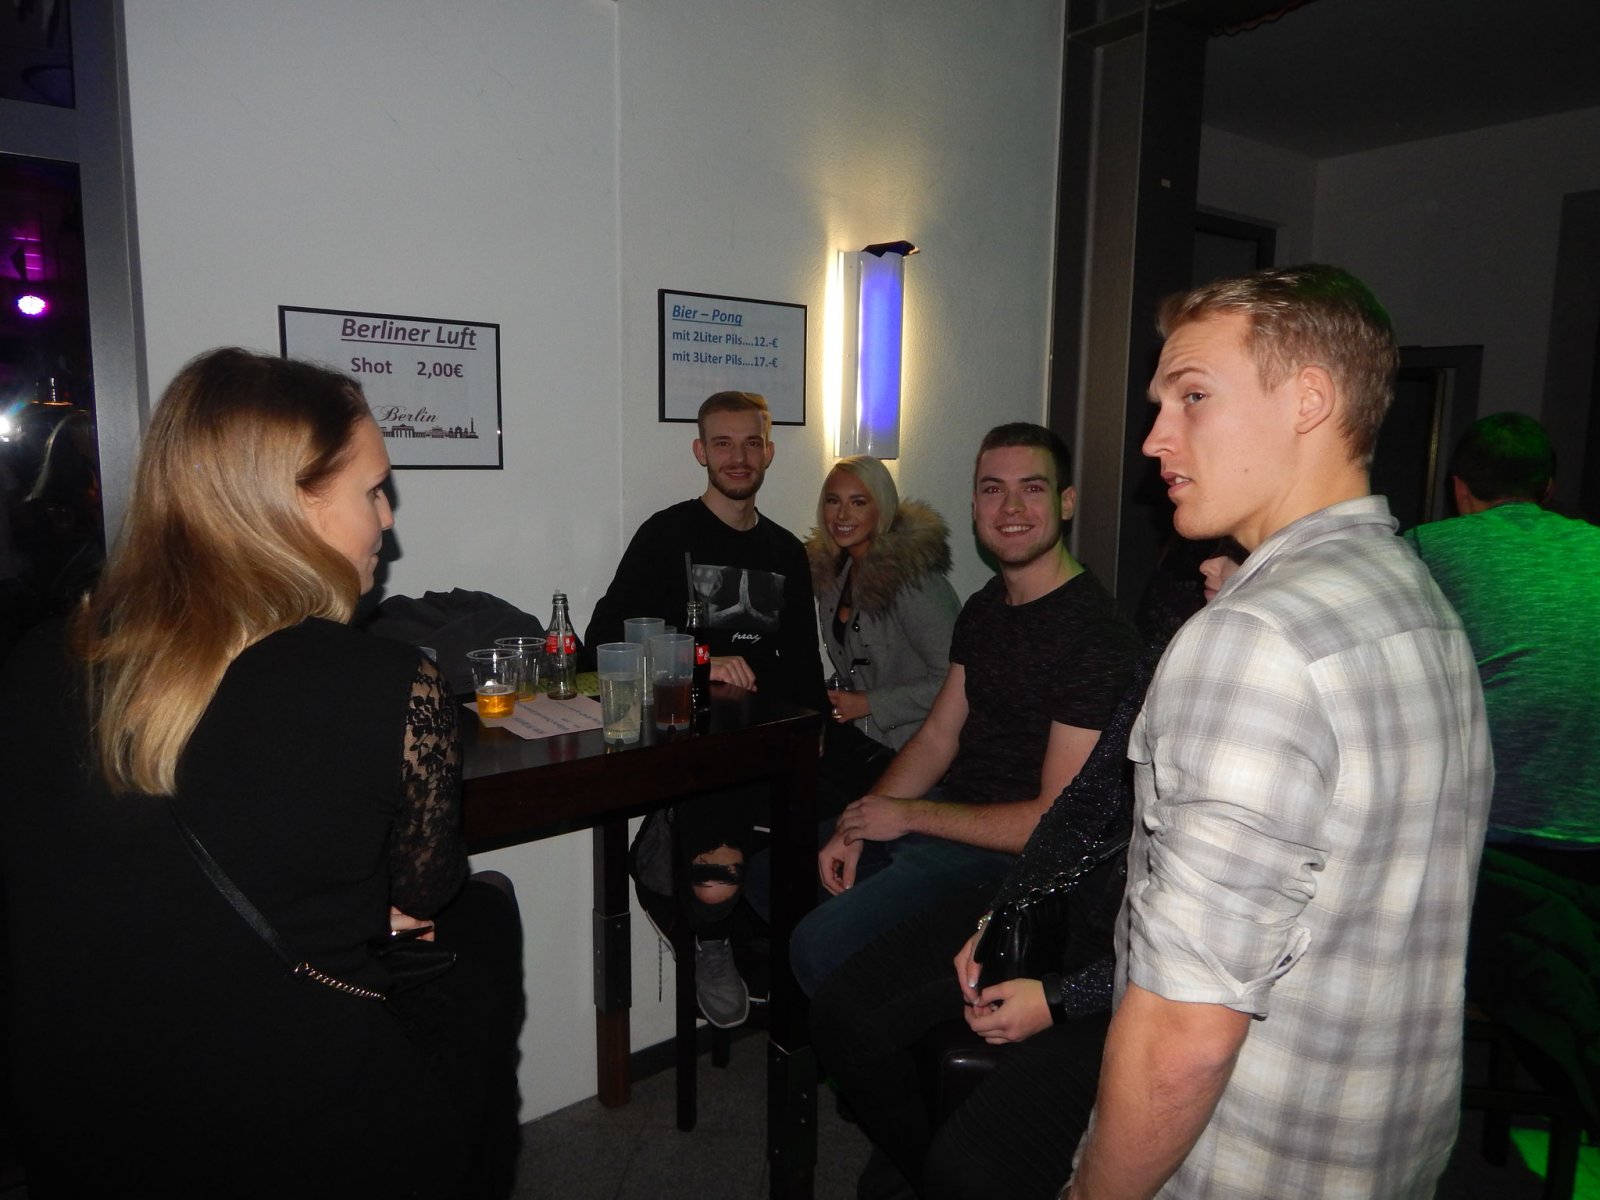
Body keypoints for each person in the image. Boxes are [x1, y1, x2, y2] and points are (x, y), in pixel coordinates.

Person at [0, 349, 522, 1197]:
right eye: (372, 491)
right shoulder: (386, 681)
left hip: (73, 1126)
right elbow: (424, 894)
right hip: (297, 1126)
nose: (386, 519)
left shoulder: (35, 661)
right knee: (486, 922)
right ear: (290, 504)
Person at [1066, 265, 1491, 1199]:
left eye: (1193, 396)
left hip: (1248, 1161)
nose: (1154, 438)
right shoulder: (1417, 599)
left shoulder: (1254, 640)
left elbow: (1185, 1031)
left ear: (1309, 400)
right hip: (1388, 1148)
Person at [789, 423, 1142, 996]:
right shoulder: (985, 608)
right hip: (951, 819)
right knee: (775, 876)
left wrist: (909, 816)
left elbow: (1052, 824)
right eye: (993, 489)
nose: (1010, 508)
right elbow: (937, 737)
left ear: (1066, 502)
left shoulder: (1095, 637)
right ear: (975, 505)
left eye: (1031, 488)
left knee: (818, 946)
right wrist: (863, 820)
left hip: (1014, 862)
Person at [582, 390, 826, 1027]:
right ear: (700, 451)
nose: (737, 457)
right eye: (723, 443)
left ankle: (809, 952)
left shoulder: (786, 550)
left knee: (862, 804)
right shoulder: (666, 535)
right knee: (719, 844)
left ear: (769, 452)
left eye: (751, 443)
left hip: (773, 737)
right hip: (695, 740)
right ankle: (712, 938)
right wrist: (699, 658)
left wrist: (818, 741)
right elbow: (599, 644)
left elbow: (805, 662)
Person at [1404, 412, 1600, 872]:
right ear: (1547, 489)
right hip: (1590, 827)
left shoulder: (1426, 547)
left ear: (1459, 489)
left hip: (1486, 827)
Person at [806, 454, 960, 797]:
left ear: (883, 508)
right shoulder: (834, 576)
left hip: (919, 753)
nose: (842, 515)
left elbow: (958, 682)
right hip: (862, 744)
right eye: (833, 501)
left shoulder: (914, 581)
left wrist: (870, 703)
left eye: (858, 502)